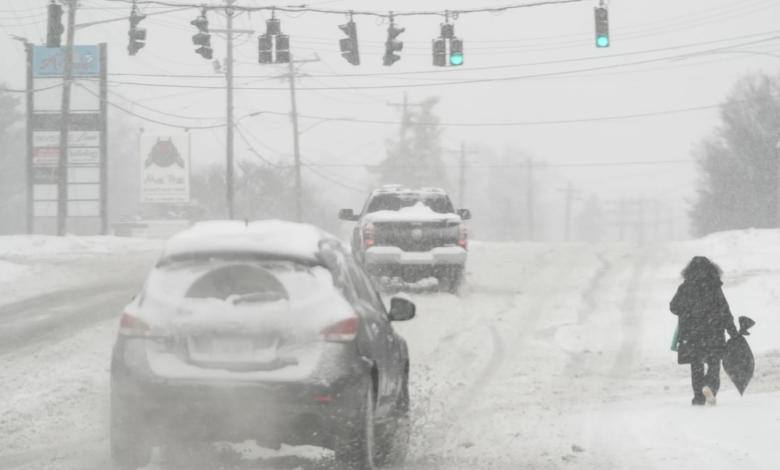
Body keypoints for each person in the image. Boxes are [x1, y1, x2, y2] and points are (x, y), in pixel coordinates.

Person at [670, 256, 739, 406]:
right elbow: (724, 311)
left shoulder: (685, 287)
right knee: (714, 364)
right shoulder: (714, 287)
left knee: (696, 366)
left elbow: (673, 307)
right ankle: (710, 387)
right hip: (714, 332)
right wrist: (732, 331)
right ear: (711, 269)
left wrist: (687, 310)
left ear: (689, 270)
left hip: (692, 333)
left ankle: (698, 397)